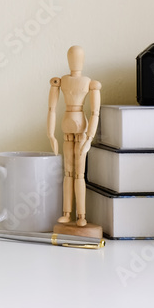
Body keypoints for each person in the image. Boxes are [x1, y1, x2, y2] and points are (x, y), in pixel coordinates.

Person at [47, 46, 101, 227]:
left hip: (81, 129)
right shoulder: (61, 81)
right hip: (67, 126)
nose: (75, 61)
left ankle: (81, 216)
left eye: (77, 57)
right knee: (68, 173)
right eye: (72, 57)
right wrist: (51, 134)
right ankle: (67, 213)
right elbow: (51, 109)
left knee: (79, 174)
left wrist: (89, 138)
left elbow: (95, 113)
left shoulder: (89, 83)